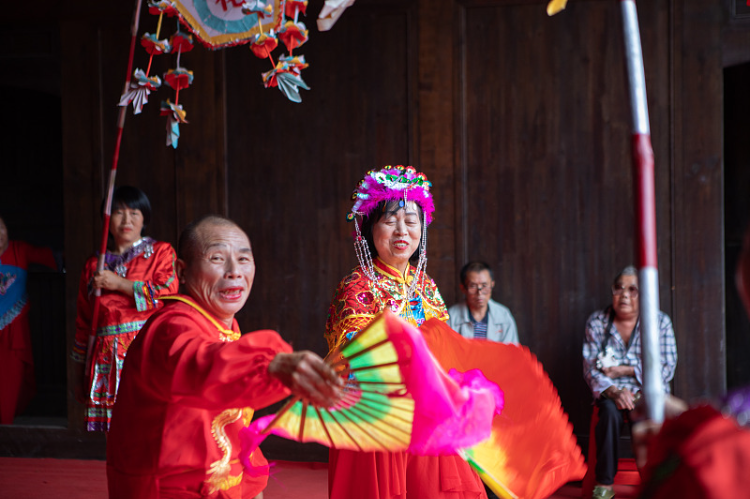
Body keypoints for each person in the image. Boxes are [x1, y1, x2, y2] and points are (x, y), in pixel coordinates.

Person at [107, 214, 343, 499]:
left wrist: (250, 482)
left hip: (217, 481)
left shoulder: (219, 323)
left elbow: (233, 418)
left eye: (243, 259)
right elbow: (203, 363)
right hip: (168, 485)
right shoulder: (171, 327)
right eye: (217, 258)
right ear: (182, 271)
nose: (234, 271)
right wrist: (271, 364)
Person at [325, 165, 487, 499]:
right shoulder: (356, 286)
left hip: (427, 409)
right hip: (378, 416)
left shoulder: (426, 285)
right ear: (371, 228)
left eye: (411, 221)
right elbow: (353, 355)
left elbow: (446, 347)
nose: (402, 230)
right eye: (390, 220)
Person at [633, 224, 750, 499]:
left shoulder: (705, 458)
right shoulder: (599, 323)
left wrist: (680, 444)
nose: (625, 296)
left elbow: (667, 364)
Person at [71, 186, 179, 431]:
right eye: (118, 213)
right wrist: (80, 373)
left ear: (145, 218)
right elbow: (84, 320)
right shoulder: (94, 264)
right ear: (107, 219)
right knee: (116, 430)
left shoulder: (161, 253)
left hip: (145, 349)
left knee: (149, 424)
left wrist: (120, 284)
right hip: (106, 357)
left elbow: (169, 293)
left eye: (134, 213)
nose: (126, 220)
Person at [582, 265, 678, 499]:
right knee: (608, 412)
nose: (624, 295)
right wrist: (614, 391)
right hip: (611, 394)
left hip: (648, 393)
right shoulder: (597, 322)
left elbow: (665, 369)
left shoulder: (659, 322)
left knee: (644, 415)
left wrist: (626, 370)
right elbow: (590, 370)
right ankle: (604, 485)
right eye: (619, 288)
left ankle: (652, 483)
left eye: (632, 289)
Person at [0, 215, 58, 424]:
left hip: (14, 333)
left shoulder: (20, 249)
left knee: (9, 384)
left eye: (1, 227)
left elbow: (53, 258)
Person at [447, 261, 519, 344]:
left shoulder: (503, 315)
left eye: (484, 286)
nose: (479, 293)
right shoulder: (451, 317)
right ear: (463, 288)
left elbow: (512, 351)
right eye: (473, 286)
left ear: (492, 285)